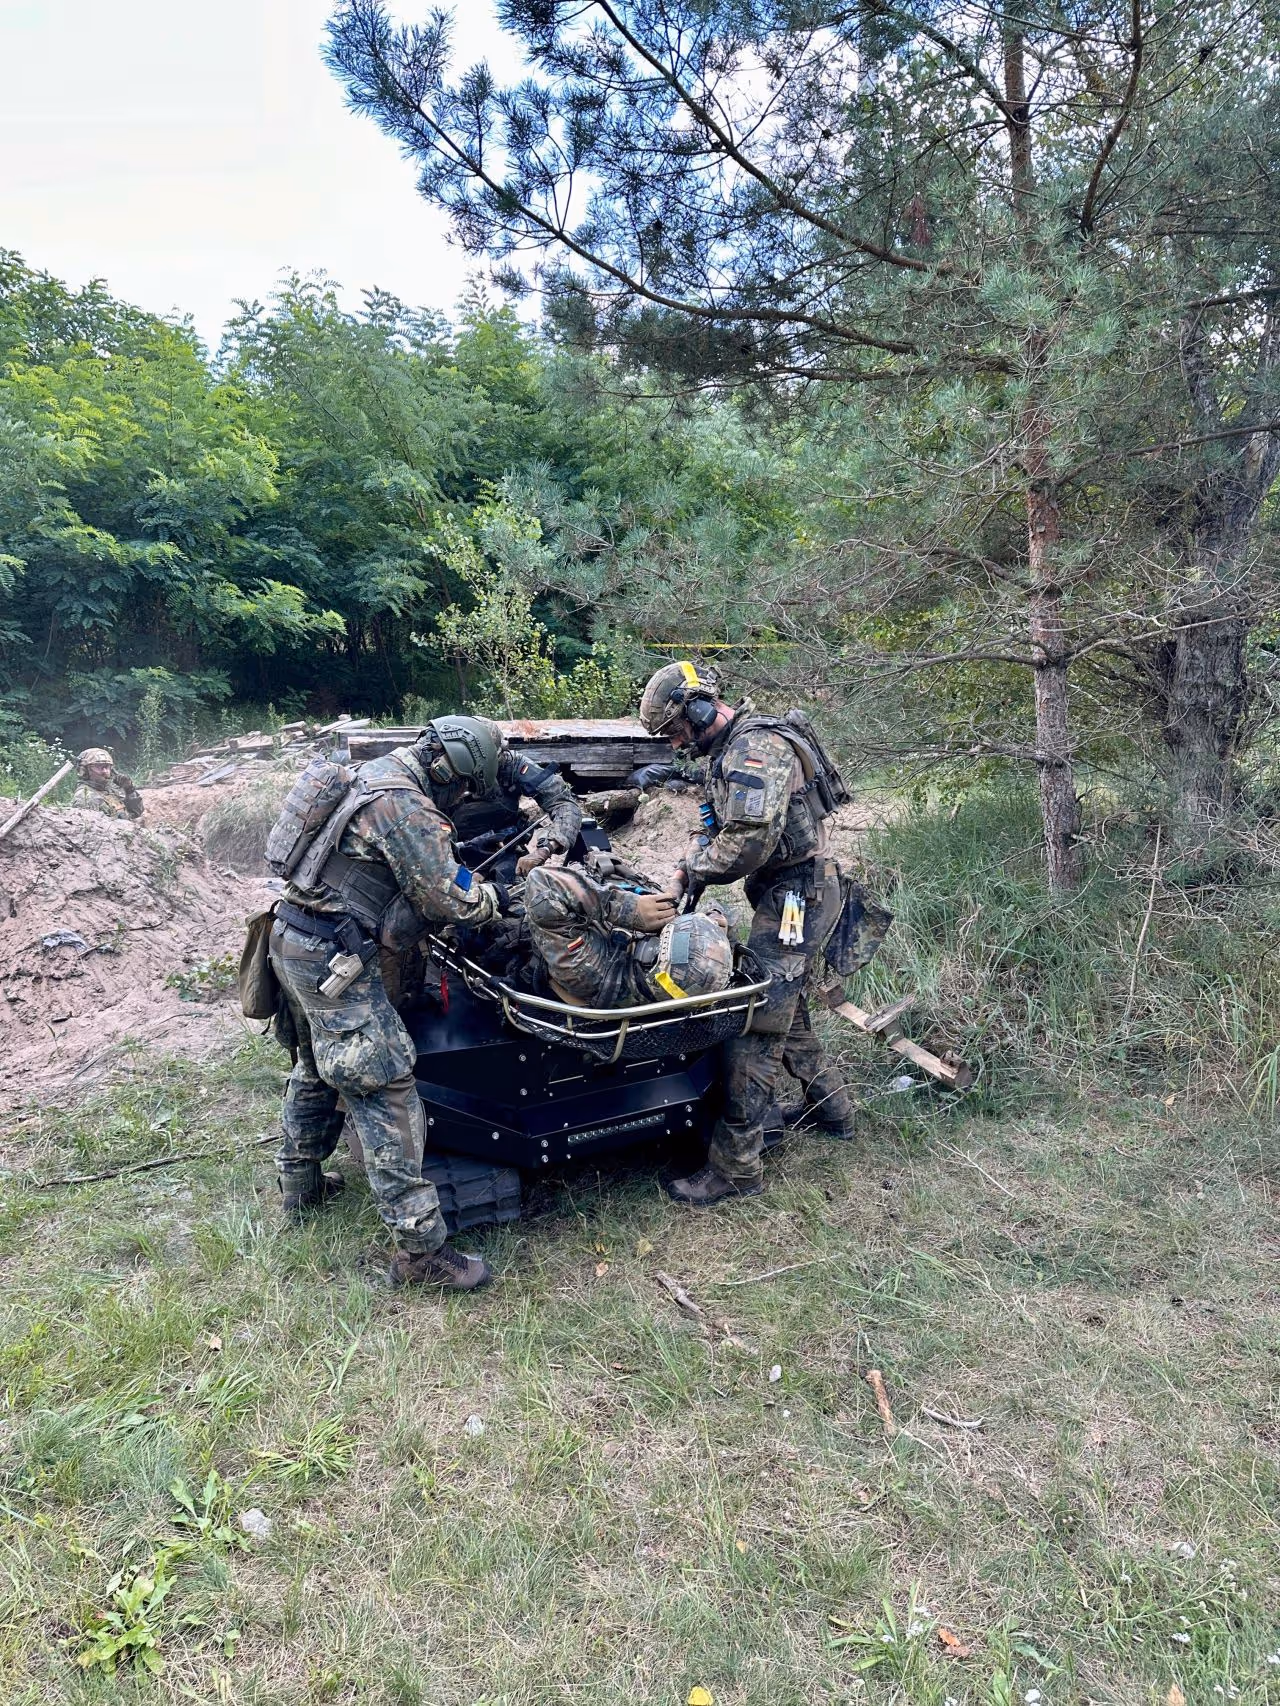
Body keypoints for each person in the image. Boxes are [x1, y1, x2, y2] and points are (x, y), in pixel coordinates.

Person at [265, 716, 510, 1289]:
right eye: (467, 786)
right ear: (452, 770)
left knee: (317, 1066)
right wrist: (500, 896)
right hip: (335, 957)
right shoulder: (405, 807)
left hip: (292, 938)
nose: (464, 797)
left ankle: (298, 1186)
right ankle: (420, 1253)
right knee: (385, 1085)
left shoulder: (369, 774)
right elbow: (451, 900)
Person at [637, 661, 857, 1206]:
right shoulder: (731, 750)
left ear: (699, 708)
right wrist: (695, 853)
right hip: (789, 889)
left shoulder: (754, 751)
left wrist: (698, 869)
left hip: (796, 898)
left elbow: (749, 843)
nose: (676, 741)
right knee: (789, 1007)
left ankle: (736, 1167)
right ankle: (833, 1109)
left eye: (675, 728)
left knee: (757, 1020)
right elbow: (719, 819)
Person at [522, 855, 734, 1008]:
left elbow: (541, 883)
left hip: (535, 916)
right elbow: (714, 929)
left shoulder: (589, 972)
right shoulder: (685, 982)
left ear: (649, 954)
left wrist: (626, 908)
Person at [451, 719, 583, 880]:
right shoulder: (441, 768)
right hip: (448, 845)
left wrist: (546, 848)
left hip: (500, 846)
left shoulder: (511, 765)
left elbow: (563, 803)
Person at [70, 748, 144, 820]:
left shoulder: (110, 790)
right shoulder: (85, 797)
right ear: (84, 770)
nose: (105, 771)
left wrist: (129, 790)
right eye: (99, 767)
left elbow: (136, 813)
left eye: (107, 766)